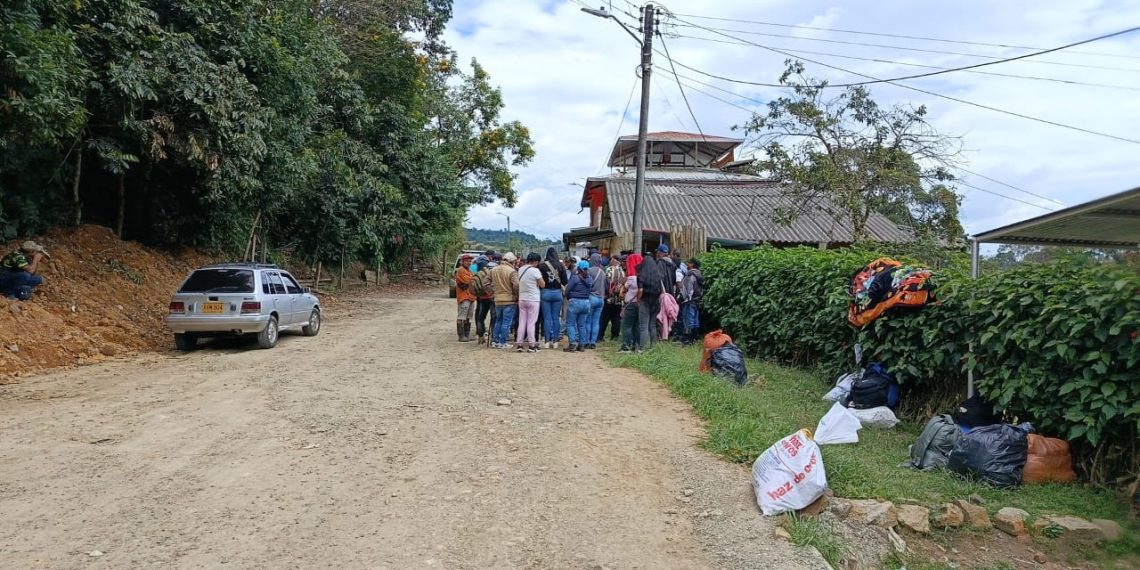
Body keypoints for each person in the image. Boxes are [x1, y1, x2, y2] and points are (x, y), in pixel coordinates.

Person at [636, 244, 670, 352]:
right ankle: (653, 347)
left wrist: (638, 300)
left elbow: (640, 290)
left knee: (643, 326)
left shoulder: (641, 275)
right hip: (656, 302)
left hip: (645, 301)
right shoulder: (657, 275)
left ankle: (642, 349)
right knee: (652, 325)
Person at [515, 252, 545, 353]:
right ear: (536, 261)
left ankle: (519, 344)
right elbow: (542, 285)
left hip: (522, 298)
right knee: (531, 323)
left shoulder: (520, 269)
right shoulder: (535, 270)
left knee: (522, 322)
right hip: (533, 299)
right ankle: (532, 345)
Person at [538, 247, 567, 349]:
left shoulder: (541, 266)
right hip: (557, 293)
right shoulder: (561, 265)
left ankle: (546, 341)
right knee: (556, 318)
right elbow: (565, 281)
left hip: (545, 293)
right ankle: (555, 341)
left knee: (546, 318)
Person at [490, 252, 520, 349]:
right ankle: (503, 342)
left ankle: (495, 341)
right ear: (512, 261)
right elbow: (516, 285)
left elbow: (486, 283)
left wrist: (492, 293)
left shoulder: (493, 270)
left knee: (498, 320)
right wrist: (516, 296)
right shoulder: (512, 271)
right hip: (509, 300)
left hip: (497, 299)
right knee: (506, 322)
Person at [564, 260, 593, 353]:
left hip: (575, 302)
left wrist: (569, 297)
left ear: (579, 268)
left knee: (570, 324)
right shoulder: (590, 279)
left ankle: (572, 344)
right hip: (586, 303)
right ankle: (581, 345)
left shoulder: (575, 278)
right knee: (582, 325)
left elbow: (567, 290)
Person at [618, 253, 642, 353]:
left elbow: (621, 291)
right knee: (637, 326)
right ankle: (635, 346)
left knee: (627, 325)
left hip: (630, 305)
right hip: (640, 305)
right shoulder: (643, 277)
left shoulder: (631, 278)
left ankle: (626, 346)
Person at [678, 258, 704, 345]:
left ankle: (687, 340)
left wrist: (680, 299)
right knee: (695, 321)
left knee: (688, 320)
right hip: (697, 300)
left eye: (688, 263)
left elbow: (687, 290)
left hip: (689, 301)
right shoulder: (699, 275)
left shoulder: (690, 275)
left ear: (692, 264)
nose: (687, 264)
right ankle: (695, 339)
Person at [585, 253, 607, 349]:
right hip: (601, 299)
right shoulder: (603, 272)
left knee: (588, 320)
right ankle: (593, 341)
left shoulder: (589, 271)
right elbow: (606, 286)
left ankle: (586, 341)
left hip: (591, 297)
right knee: (596, 321)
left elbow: (586, 284)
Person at [472, 255, 496, 344]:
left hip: (482, 298)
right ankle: (493, 337)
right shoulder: (491, 271)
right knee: (494, 318)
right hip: (491, 298)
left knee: (480, 317)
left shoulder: (478, 273)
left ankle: (481, 337)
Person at [601, 255, 625, 343]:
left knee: (604, 318)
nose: (610, 261)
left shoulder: (608, 270)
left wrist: (606, 293)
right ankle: (614, 336)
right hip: (618, 299)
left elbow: (606, 283)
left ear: (614, 260)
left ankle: (600, 336)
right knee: (616, 319)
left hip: (609, 298)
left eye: (611, 259)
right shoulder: (622, 271)